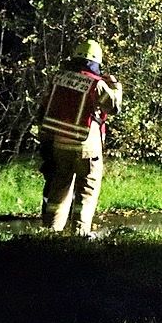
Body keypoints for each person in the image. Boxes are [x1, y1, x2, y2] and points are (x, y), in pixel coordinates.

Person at [37, 40, 122, 237]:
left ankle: (50, 233)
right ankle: (79, 235)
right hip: (87, 148)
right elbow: (114, 106)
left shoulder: (59, 78)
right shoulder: (96, 84)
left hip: (60, 145)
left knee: (59, 191)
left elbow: (44, 108)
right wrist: (116, 86)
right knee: (86, 193)